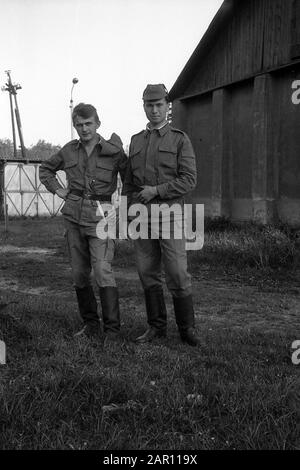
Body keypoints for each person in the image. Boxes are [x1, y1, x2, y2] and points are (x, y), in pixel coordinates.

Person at [39, 103, 127, 341]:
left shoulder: (114, 151)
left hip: (101, 217)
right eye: (79, 124)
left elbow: (130, 180)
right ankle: (90, 325)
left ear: (98, 123)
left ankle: (112, 330)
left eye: (88, 123)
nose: (84, 129)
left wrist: (125, 211)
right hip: (73, 218)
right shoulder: (68, 150)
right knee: (79, 273)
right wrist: (58, 189)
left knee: (102, 270)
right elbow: (46, 169)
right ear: (75, 126)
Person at [123, 84, 200, 346]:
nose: (154, 110)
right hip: (141, 217)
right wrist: (127, 215)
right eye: (149, 105)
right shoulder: (135, 141)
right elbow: (129, 184)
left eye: (159, 105)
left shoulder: (180, 139)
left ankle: (187, 329)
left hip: (170, 215)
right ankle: (156, 327)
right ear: (143, 106)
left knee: (177, 272)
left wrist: (156, 190)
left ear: (168, 107)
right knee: (147, 272)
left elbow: (189, 180)